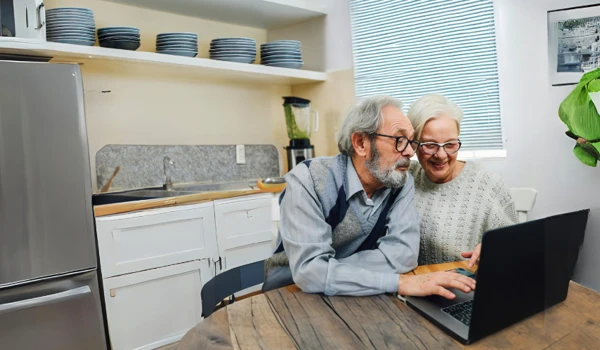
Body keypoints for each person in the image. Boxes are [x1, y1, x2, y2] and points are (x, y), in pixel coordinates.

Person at [263, 95, 476, 299]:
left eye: (412, 141)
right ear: (361, 143)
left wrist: (329, 270)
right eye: (400, 140)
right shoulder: (306, 180)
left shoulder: (400, 181)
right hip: (288, 295)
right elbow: (309, 274)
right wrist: (397, 283)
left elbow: (404, 255)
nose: (411, 152)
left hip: (357, 297)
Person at [407, 94, 518, 267]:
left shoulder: (488, 184)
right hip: (415, 285)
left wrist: (498, 249)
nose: (441, 155)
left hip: (468, 286)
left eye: (450, 144)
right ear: (413, 145)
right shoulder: (406, 177)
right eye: (430, 145)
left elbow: (516, 246)